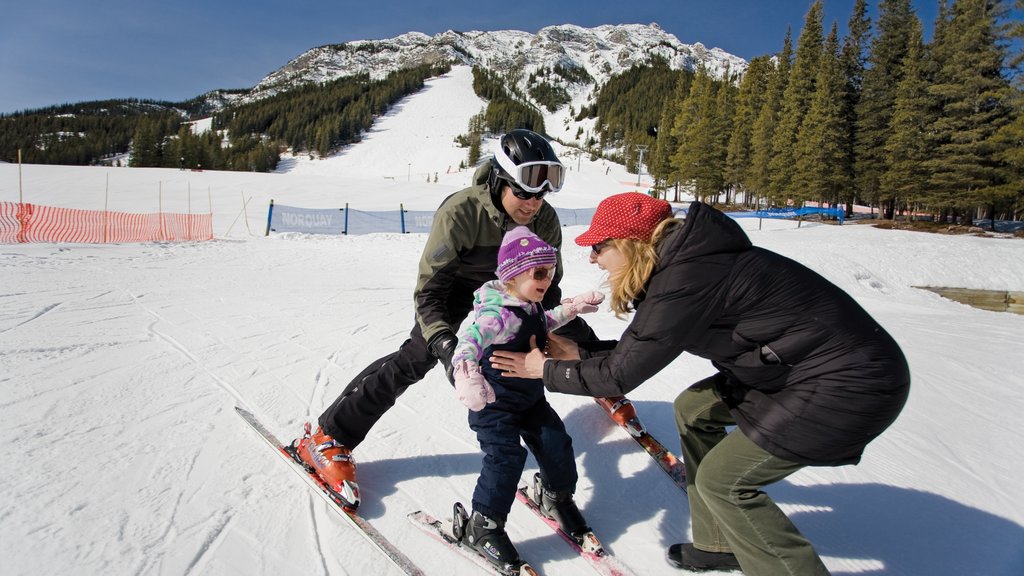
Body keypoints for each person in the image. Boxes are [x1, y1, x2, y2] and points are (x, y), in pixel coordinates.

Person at [489, 192, 911, 575]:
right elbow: (644, 347)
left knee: (725, 482)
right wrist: (577, 355)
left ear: (630, 243)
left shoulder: (686, 277)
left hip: (850, 385)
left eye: (600, 247)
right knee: (694, 409)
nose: (594, 258)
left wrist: (543, 370)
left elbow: (622, 373)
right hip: (800, 370)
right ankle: (720, 543)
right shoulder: (685, 265)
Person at [291, 129, 597, 510]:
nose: (534, 203)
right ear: (501, 180)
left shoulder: (544, 219)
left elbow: (549, 287)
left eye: (541, 193)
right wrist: (446, 345)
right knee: (415, 358)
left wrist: (545, 335)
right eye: (523, 192)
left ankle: (603, 374)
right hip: (453, 294)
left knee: (561, 322)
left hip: (512, 292)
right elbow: (430, 292)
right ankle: (329, 436)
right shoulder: (461, 212)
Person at [449, 226, 604, 569]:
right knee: (506, 457)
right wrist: (466, 373)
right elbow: (469, 341)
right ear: (512, 275)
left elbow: (543, 322)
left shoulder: (529, 305)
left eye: (550, 271)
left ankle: (555, 495)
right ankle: (483, 524)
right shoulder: (497, 314)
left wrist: (572, 309)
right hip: (494, 403)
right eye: (539, 272)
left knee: (556, 442)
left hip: (529, 398)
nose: (547, 279)